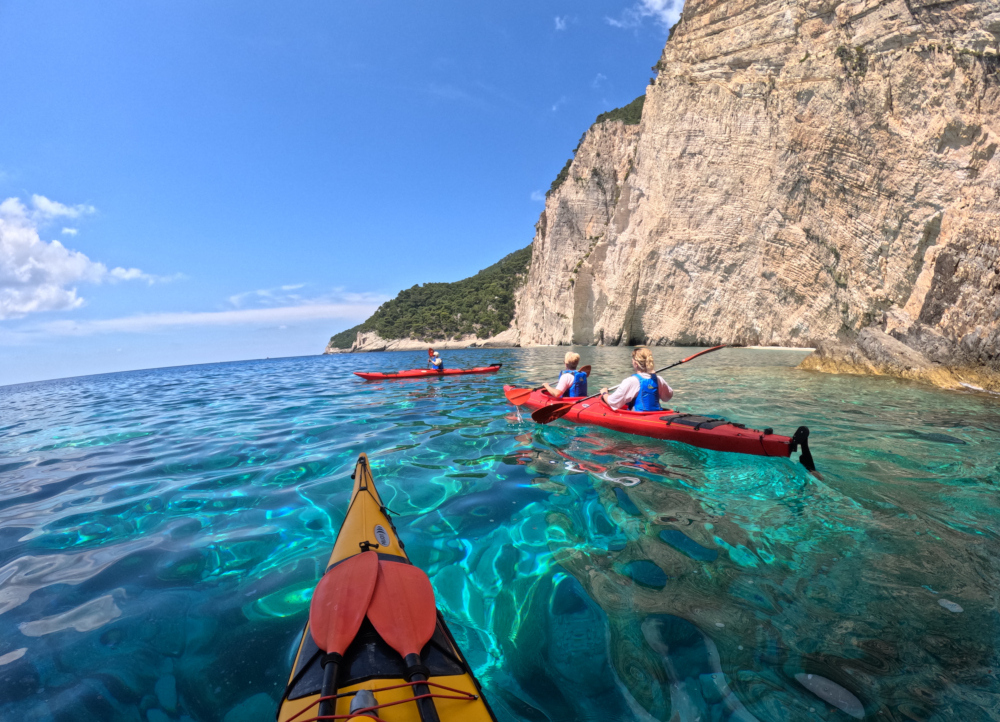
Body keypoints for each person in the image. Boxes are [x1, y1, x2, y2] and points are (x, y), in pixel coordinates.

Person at [600, 347, 673, 411]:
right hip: (655, 415)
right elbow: (668, 396)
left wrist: (604, 393)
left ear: (636, 364)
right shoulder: (659, 379)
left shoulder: (631, 381)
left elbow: (612, 402)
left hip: (639, 416)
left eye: (632, 361)